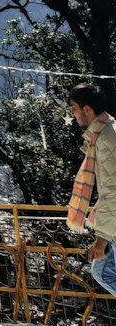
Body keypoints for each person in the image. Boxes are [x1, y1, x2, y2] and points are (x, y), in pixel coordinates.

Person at [67, 82, 116, 297]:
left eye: (74, 108)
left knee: (103, 272)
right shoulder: (103, 134)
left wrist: (102, 238)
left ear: (87, 109)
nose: (72, 114)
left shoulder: (106, 140)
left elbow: (113, 191)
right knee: (102, 271)